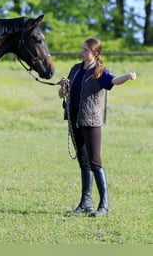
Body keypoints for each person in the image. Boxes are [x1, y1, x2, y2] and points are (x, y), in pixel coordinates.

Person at [58, 38, 136, 216]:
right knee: (83, 163)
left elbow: (114, 81)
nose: (82, 52)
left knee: (95, 162)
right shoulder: (76, 69)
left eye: (86, 50)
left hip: (91, 121)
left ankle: (104, 205)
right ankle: (86, 203)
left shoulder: (100, 71)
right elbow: (62, 94)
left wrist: (128, 76)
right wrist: (63, 86)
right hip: (74, 119)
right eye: (82, 49)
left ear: (95, 53)